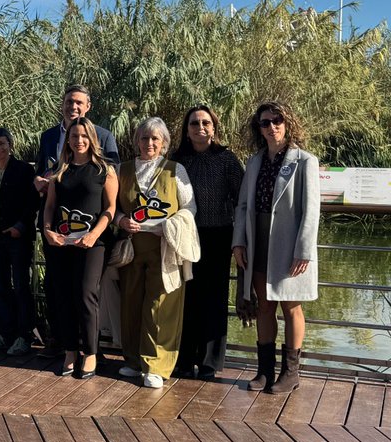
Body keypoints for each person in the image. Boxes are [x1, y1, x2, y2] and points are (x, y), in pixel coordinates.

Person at [233, 101, 320, 395]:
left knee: (291, 306)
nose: (272, 127)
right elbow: (243, 205)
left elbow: (312, 210)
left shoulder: (305, 161)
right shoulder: (254, 161)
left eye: (277, 120)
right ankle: (264, 372)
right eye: (265, 123)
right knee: (265, 307)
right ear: (258, 129)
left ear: (288, 122)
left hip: (288, 244)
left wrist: (304, 251)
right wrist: (239, 242)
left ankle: (290, 373)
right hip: (257, 240)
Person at [35, 84, 120, 354]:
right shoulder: (48, 137)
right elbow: (42, 172)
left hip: (92, 234)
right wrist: (38, 181)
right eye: (69, 102)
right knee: (58, 289)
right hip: (58, 231)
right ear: (62, 104)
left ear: (88, 106)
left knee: (86, 293)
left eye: (79, 102)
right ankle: (63, 345)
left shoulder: (105, 137)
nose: (73, 107)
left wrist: (95, 233)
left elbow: (110, 192)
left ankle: (93, 351)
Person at [114, 117, 199, 389]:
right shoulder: (122, 169)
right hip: (131, 248)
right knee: (130, 303)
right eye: (144, 138)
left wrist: (169, 226)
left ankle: (157, 365)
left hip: (165, 249)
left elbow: (190, 208)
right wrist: (119, 221)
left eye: (155, 139)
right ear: (136, 140)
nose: (149, 143)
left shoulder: (176, 170)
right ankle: (133, 360)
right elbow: (110, 205)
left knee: (160, 306)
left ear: (164, 143)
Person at [172, 105, 245, 379]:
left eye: (205, 122)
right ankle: (183, 359)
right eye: (194, 123)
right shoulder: (178, 160)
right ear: (186, 130)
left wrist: (241, 238)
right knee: (187, 298)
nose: (200, 127)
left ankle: (210, 362)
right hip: (185, 237)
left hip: (218, 235)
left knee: (214, 299)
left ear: (214, 128)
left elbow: (241, 200)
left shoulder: (226, 159)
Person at [0, 127, 38, 356]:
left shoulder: (23, 170)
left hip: (18, 239)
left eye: (2, 143)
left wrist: (20, 227)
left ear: (10, 144)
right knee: (2, 288)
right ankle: (5, 334)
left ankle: (25, 336)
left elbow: (32, 204)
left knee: (22, 287)